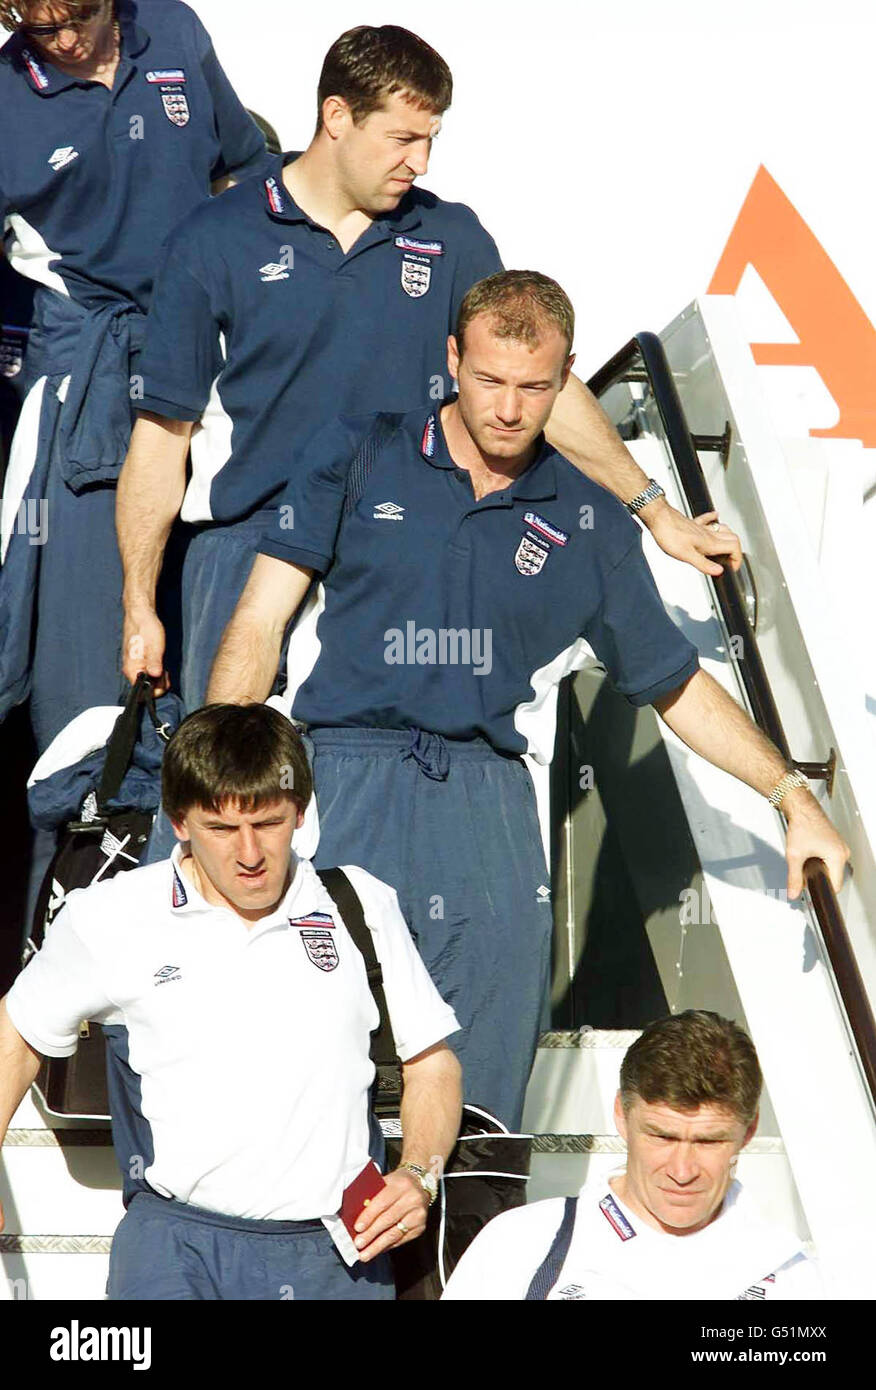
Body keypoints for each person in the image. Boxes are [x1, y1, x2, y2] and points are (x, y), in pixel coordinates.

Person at [206, 271, 849, 1128]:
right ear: (452, 361)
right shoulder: (360, 452)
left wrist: (791, 798)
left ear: (567, 377)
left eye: (535, 387)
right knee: (318, 1073)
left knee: (483, 1086)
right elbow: (259, 618)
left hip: (489, 801)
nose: (509, 409)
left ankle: (469, 1247)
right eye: (489, 381)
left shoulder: (590, 521)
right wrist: (217, 785)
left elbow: (677, 685)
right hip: (342, 778)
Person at [118, 23, 743, 731]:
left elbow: (539, 383)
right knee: (231, 795)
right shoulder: (213, 238)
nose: (419, 161)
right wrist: (140, 605)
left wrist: (656, 513)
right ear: (336, 118)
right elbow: (162, 437)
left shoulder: (453, 238)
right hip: (250, 548)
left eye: (431, 140)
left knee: (379, 792)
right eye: (402, 139)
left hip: (401, 546)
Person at [0, 703, 463, 1300]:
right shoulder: (111, 913)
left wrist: (419, 1174)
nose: (249, 854)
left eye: (268, 823)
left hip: (335, 1254)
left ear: (300, 811)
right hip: (176, 1248)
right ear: (179, 820)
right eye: (221, 829)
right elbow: (17, 1031)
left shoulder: (360, 905)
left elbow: (433, 1063)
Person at [0, 0, 272, 751]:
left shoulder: (174, 28)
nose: (61, 42)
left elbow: (244, 169)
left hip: (201, 344)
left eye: (75, 19)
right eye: (35, 28)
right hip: (79, 369)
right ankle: (82, 829)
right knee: (85, 644)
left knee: (202, 592)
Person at [441, 1011, 821, 1299]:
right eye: (661, 1136)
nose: (682, 1170)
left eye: (708, 1142)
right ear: (622, 1115)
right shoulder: (521, 1243)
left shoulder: (792, 1277)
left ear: (749, 1131)